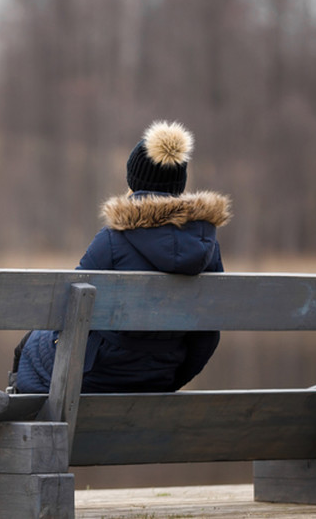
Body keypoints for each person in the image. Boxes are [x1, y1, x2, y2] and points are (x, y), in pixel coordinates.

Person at [13, 120, 232, 394]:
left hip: (99, 372)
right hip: (162, 373)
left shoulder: (113, 239)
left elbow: (66, 314)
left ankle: (30, 429)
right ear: (179, 185)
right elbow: (208, 336)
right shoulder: (207, 246)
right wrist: (171, 378)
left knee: (29, 346)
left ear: (134, 181)